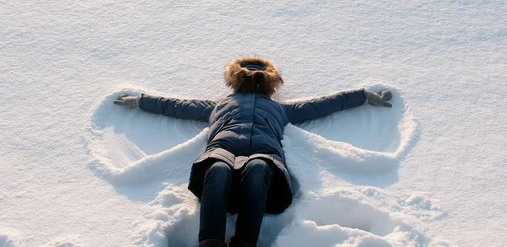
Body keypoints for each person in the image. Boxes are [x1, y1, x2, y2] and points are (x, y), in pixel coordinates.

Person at [114, 56, 392, 247]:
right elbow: (175, 106)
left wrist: (363, 95)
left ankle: (245, 242)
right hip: (221, 152)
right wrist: (141, 101)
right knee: (218, 169)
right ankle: (210, 241)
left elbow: (324, 104)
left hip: (264, 161)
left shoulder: (282, 109)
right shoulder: (218, 105)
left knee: (258, 168)